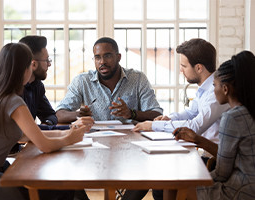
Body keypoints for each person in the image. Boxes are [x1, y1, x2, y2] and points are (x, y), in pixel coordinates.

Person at [0, 43, 93, 200]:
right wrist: (69, 138)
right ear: (24, 70)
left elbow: (25, 136)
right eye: (29, 66)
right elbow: (44, 146)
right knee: (65, 188)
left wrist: (67, 131)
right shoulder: (14, 102)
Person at [122, 38, 230, 200]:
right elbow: (191, 112)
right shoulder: (206, 88)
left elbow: (195, 125)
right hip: (204, 155)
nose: (181, 70)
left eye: (184, 66)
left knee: (160, 179)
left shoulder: (216, 92)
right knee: (158, 179)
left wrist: (153, 126)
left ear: (199, 68)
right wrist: (167, 119)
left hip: (212, 161)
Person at [173, 50, 255, 199]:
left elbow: (222, 173)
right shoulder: (248, 111)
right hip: (249, 183)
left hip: (241, 189)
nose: (213, 90)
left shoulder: (232, 117)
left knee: (179, 187)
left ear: (225, 89)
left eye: (214, 85)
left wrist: (200, 176)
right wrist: (198, 139)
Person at [56, 37, 163, 123]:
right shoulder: (82, 81)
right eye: (97, 57)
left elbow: (157, 114)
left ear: (118, 57)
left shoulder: (138, 78)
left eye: (107, 56)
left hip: (130, 139)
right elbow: (59, 114)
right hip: (94, 140)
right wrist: (78, 114)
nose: (102, 62)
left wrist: (131, 113)